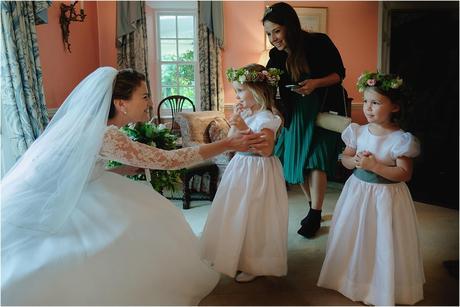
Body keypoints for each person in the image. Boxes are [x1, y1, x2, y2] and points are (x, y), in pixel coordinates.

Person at [1, 67, 268, 305]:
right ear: (121, 103)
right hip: (62, 201)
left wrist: (118, 169)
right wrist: (228, 144)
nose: (150, 103)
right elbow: (169, 160)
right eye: (144, 96)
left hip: (73, 188)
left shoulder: (92, 126)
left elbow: (77, 169)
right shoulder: (106, 134)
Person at [317, 71, 425, 305]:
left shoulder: (401, 139)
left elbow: (405, 173)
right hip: (358, 192)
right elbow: (344, 158)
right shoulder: (357, 131)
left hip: (387, 196)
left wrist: (375, 165)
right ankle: (353, 279)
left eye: (375, 102)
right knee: (356, 234)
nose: (367, 107)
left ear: (395, 106)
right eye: (365, 101)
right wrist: (354, 162)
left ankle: (381, 286)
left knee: (383, 238)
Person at [263, 2, 347, 238]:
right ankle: (314, 208)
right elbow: (268, 82)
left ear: (290, 26)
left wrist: (314, 84)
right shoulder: (275, 56)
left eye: (277, 31)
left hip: (321, 112)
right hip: (295, 115)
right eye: (269, 33)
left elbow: (339, 74)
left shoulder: (318, 43)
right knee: (296, 164)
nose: (273, 38)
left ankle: (315, 213)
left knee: (315, 161)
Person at [200, 64, 288, 283]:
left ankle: (254, 262)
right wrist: (236, 123)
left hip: (258, 170)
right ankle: (234, 254)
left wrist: (244, 127)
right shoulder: (247, 113)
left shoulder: (267, 117)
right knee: (236, 211)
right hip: (240, 167)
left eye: (240, 90)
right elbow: (231, 142)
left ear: (258, 91)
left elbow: (266, 149)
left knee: (255, 215)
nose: (237, 95)